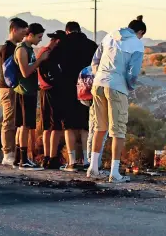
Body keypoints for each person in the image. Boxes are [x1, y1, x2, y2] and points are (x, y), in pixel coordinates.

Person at [87, 15, 146, 182]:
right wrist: (129, 86)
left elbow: (95, 59)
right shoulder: (137, 44)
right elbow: (133, 73)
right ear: (140, 32)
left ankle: (93, 167)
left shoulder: (110, 35)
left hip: (98, 84)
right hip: (117, 86)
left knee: (100, 127)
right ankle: (114, 172)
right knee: (118, 130)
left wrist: (98, 75)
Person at [58, 22, 98, 172]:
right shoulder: (91, 45)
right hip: (87, 89)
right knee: (85, 125)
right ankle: (87, 160)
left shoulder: (62, 44)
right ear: (80, 30)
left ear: (67, 31)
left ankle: (72, 161)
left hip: (67, 89)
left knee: (69, 126)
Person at [12, 23, 47, 170]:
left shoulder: (28, 49)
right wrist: (40, 60)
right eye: (39, 37)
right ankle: (23, 160)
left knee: (22, 126)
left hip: (29, 90)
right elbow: (25, 72)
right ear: (31, 35)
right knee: (25, 126)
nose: (40, 40)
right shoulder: (22, 50)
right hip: (24, 92)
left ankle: (18, 158)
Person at [0, 17, 29, 166]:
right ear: (14, 30)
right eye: (23, 32)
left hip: (14, 88)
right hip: (8, 88)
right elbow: (8, 71)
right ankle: (7, 154)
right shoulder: (8, 49)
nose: (24, 35)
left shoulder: (16, 47)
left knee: (15, 121)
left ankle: (14, 154)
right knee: (9, 121)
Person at [37, 30, 67, 169]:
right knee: (55, 126)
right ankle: (53, 158)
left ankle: (46, 157)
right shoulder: (50, 55)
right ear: (58, 41)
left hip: (44, 91)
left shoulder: (43, 51)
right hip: (53, 91)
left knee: (46, 126)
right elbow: (52, 75)